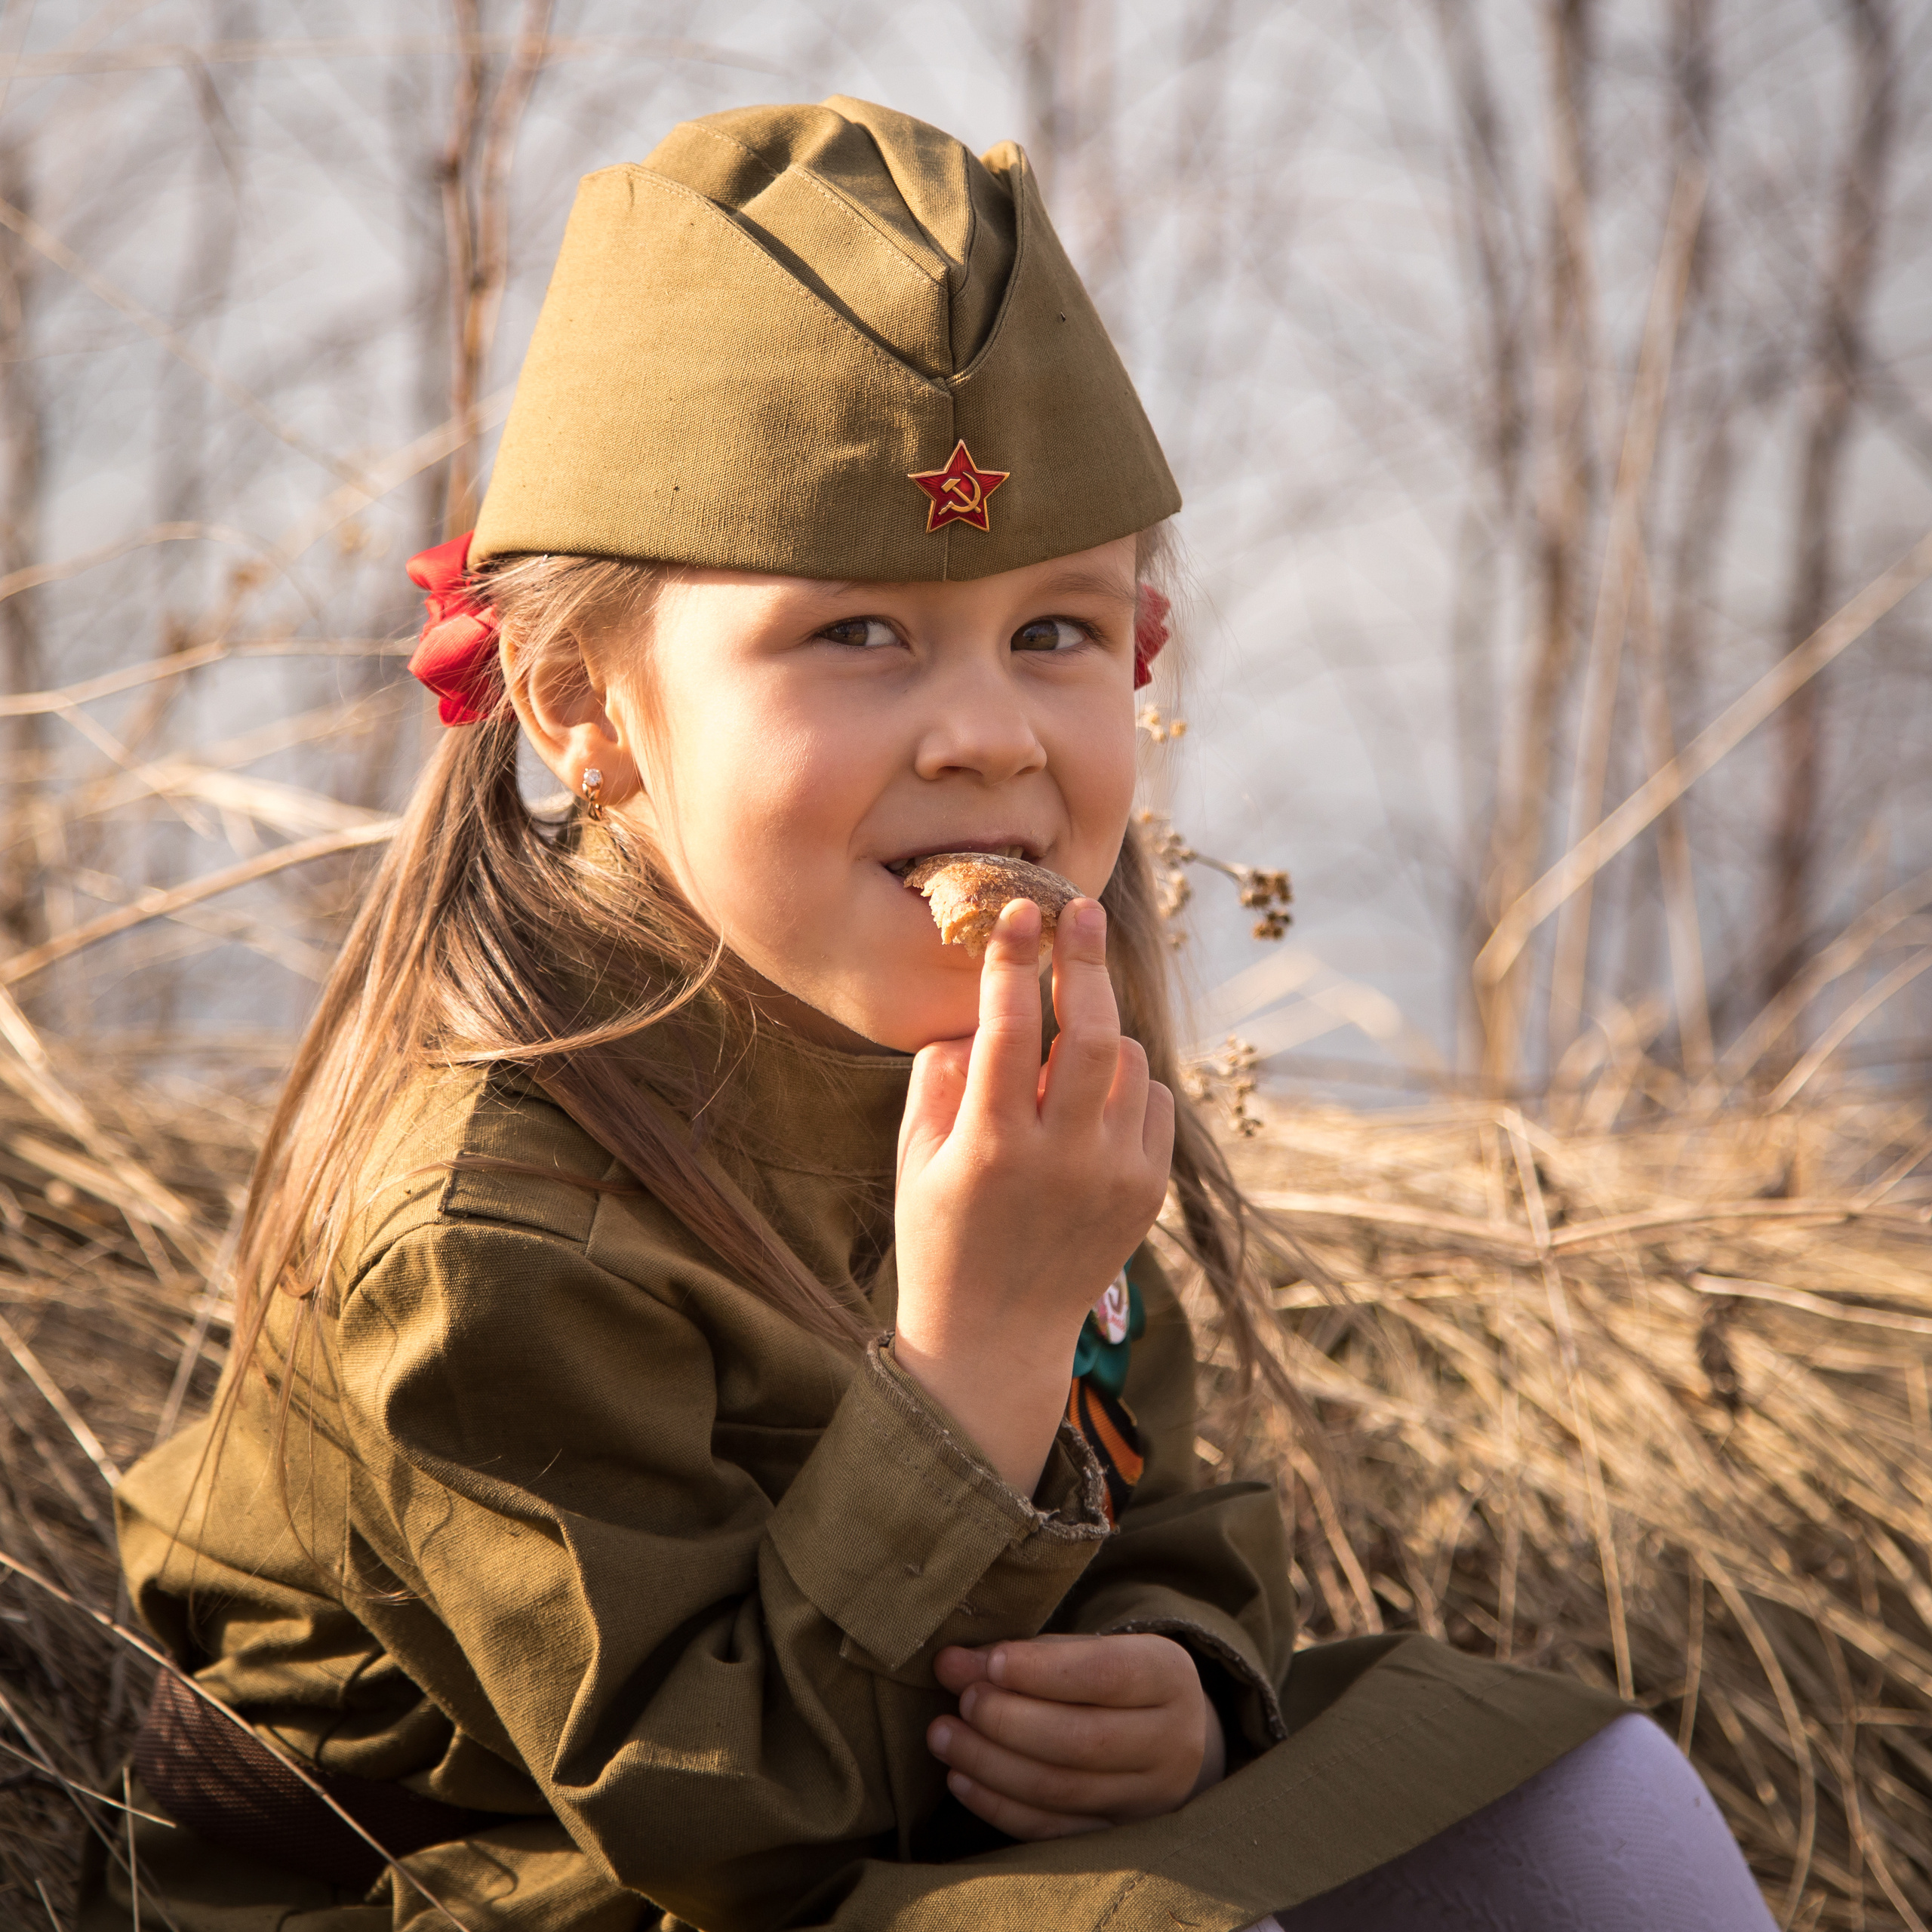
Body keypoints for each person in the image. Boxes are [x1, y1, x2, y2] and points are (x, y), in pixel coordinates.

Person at [90, 97, 1775, 1932]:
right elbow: (716, 1819)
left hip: (896, 1834)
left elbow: (1154, 1497)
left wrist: (1173, 1680)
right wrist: (976, 1355)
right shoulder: (481, 1231)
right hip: (550, 1886)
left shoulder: (1003, 1069)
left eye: (1054, 629)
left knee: (1578, 1787)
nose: (987, 727)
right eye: (858, 636)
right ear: (581, 702)